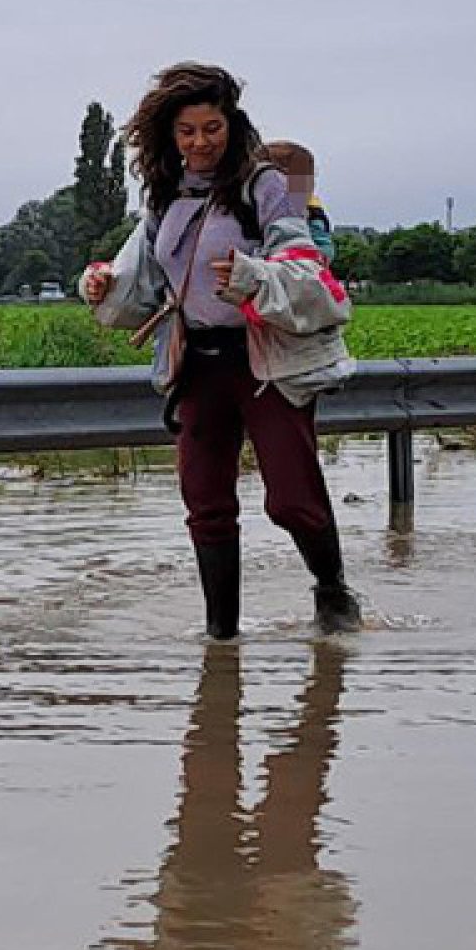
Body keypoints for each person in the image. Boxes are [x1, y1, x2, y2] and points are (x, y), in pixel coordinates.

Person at [85, 61, 362, 639]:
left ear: (231, 125)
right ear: (170, 136)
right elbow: (140, 280)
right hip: (198, 364)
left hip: (264, 362)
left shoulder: (264, 187)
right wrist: (103, 283)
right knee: (206, 503)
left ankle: (332, 590)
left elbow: (306, 268)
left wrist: (253, 277)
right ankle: (221, 638)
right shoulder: (165, 195)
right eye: (187, 132)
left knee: (290, 500)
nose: (200, 142)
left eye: (211, 128)